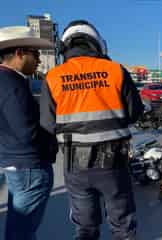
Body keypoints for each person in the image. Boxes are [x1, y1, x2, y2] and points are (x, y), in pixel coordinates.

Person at [40, 20, 144, 240]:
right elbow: (135, 111)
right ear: (96, 44)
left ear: (65, 46)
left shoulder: (53, 77)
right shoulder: (115, 70)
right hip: (114, 163)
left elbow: (48, 124)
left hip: (75, 165)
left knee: (85, 228)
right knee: (122, 225)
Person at [0, 26, 56, 240]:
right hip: (30, 169)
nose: (39, 60)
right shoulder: (12, 85)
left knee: (18, 230)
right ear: (19, 53)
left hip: (14, 163)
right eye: (36, 54)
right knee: (20, 233)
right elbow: (27, 132)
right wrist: (51, 140)